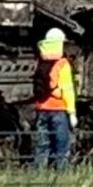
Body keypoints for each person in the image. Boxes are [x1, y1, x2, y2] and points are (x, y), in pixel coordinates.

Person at [32, 28, 76, 170]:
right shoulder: (62, 64)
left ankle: (39, 174)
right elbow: (67, 90)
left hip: (41, 108)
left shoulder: (40, 61)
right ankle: (61, 175)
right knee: (61, 145)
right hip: (58, 109)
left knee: (42, 145)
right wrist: (72, 112)